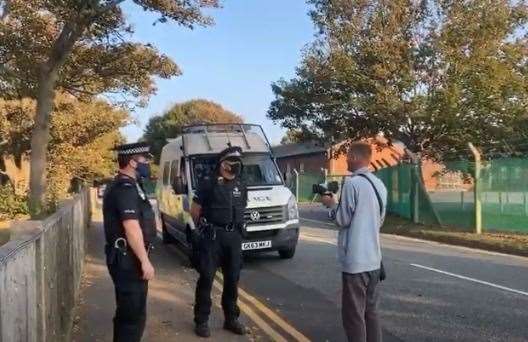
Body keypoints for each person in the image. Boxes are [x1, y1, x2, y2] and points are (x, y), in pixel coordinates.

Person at [321, 142, 387, 342]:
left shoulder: (352, 183)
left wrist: (331, 205)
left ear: (357, 158)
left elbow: (342, 220)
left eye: (348, 156)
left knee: (353, 316)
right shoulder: (379, 185)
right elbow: (380, 221)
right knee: (371, 312)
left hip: (356, 262)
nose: (346, 160)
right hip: (374, 261)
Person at [190, 145, 248, 338]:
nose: (236, 165)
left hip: (234, 238)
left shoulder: (241, 184)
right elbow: (195, 210)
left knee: (232, 280)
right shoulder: (208, 182)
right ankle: (202, 321)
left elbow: (242, 207)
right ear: (223, 164)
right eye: (233, 162)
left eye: (238, 162)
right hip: (213, 237)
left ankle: (231, 319)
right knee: (206, 278)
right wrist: (202, 231)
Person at [103, 142, 157, 342]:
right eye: (144, 159)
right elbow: (132, 228)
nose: (147, 163)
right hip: (128, 260)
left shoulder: (129, 185)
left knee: (130, 313)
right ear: (132, 162)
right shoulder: (125, 189)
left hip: (126, 258)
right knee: (132, 317)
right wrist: (145, 261)